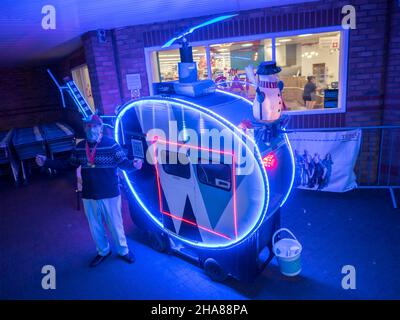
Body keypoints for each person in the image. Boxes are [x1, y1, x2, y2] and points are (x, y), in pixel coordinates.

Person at [36, 114, 143, 267]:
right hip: (89, 194)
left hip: (110, 194)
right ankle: (103, 251)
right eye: (88, 125)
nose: (91, 128)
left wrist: (134, 164)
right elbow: (68, 165)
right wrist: (46, 162)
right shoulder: (80, 147)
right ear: (84, 128)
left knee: (115, 224)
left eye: (94, 125)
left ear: (100, 128)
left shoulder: (111, 144)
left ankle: (123, 250)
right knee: (95, 226)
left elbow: (124, 163)